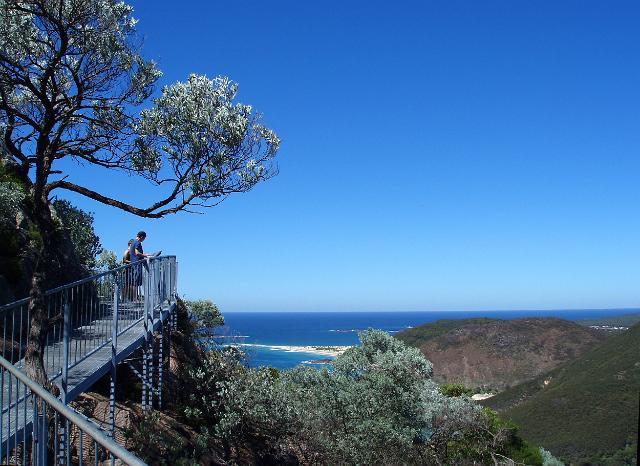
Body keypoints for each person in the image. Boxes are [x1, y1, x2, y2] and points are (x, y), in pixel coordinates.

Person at [129, 231, 150, 301]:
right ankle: (134, 299)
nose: (144, 240)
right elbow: (137, 253)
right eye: (144, 238)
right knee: (135, 282)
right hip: (136, 264)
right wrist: (146, 255)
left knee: (134, 282)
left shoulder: (133, 242)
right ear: (141, 237)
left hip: (134, 263)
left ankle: (133, 298)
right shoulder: (137, 242)